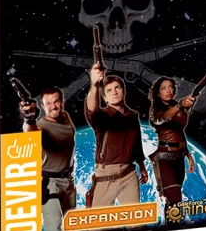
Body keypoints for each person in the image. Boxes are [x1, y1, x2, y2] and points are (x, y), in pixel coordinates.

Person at [84, 64, 148, 208]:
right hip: (105, 177)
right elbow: (91, 108)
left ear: (123, 91)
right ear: (105, 98)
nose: (114, 92)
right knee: (99, 221)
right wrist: (95, 84)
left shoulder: (133, 116)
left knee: (134, 218)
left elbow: (137, 144)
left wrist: (142, 167)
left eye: (117, 88)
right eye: (109, 90)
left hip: (129, 174)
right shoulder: (101, 116)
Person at [20, 87, 76, 231]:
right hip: (49, 183)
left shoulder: (65, 116)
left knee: (69, 227)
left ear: (62, 102)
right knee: (54, 230)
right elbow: (31, 132)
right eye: (48, 104)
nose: (53, 107)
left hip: (69, 181)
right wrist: (29, 119)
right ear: (43, 106)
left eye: (56, 102)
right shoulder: (43, 126)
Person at [148, 76, 196, 213]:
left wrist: (188, 155)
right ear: (158, 93)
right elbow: (164, 118)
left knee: (173, 203)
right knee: (174, 199)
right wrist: (180, 105)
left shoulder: (177, 106)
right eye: (164, 88)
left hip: (179, 158)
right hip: (165, 159)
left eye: (170, 87)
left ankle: (170, 224)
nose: (168, 90)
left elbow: (179, 133)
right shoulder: (156, 109)